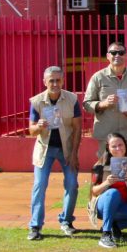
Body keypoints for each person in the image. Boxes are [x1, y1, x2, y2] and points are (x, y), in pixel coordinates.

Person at [27, 66, 82, 240]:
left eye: (58, 80)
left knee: (72, 184)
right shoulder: (36, 102)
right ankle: (35, 226)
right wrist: (39, 126)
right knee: (39, 185)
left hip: (66, 148)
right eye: (51, 80)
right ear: (45, 82)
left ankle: (66, 221)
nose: (55, 84)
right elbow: (31, 131)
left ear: (63, 81)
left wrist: (74, 153)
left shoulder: (72, 99)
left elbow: (77, 127)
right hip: (45, 149)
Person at [83, 41, 127, 158]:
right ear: (107, 56)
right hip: (106, 134)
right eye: (113, 52)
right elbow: (87, 104)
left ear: (126, 55)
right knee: (105, 168)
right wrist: (103, 104)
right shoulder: (98, 77)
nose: (117, 56)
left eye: (121, 52)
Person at [89, 132, 127, 249]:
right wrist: (106, 183)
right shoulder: (100, 165)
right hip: (103, 205)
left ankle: (114, 225)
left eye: (120, 145)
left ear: (125, 145)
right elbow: (94, 191)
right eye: (114, 146)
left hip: (123, 206)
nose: (118, 148)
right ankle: (105, 235)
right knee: (113, 193)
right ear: (108, 148)